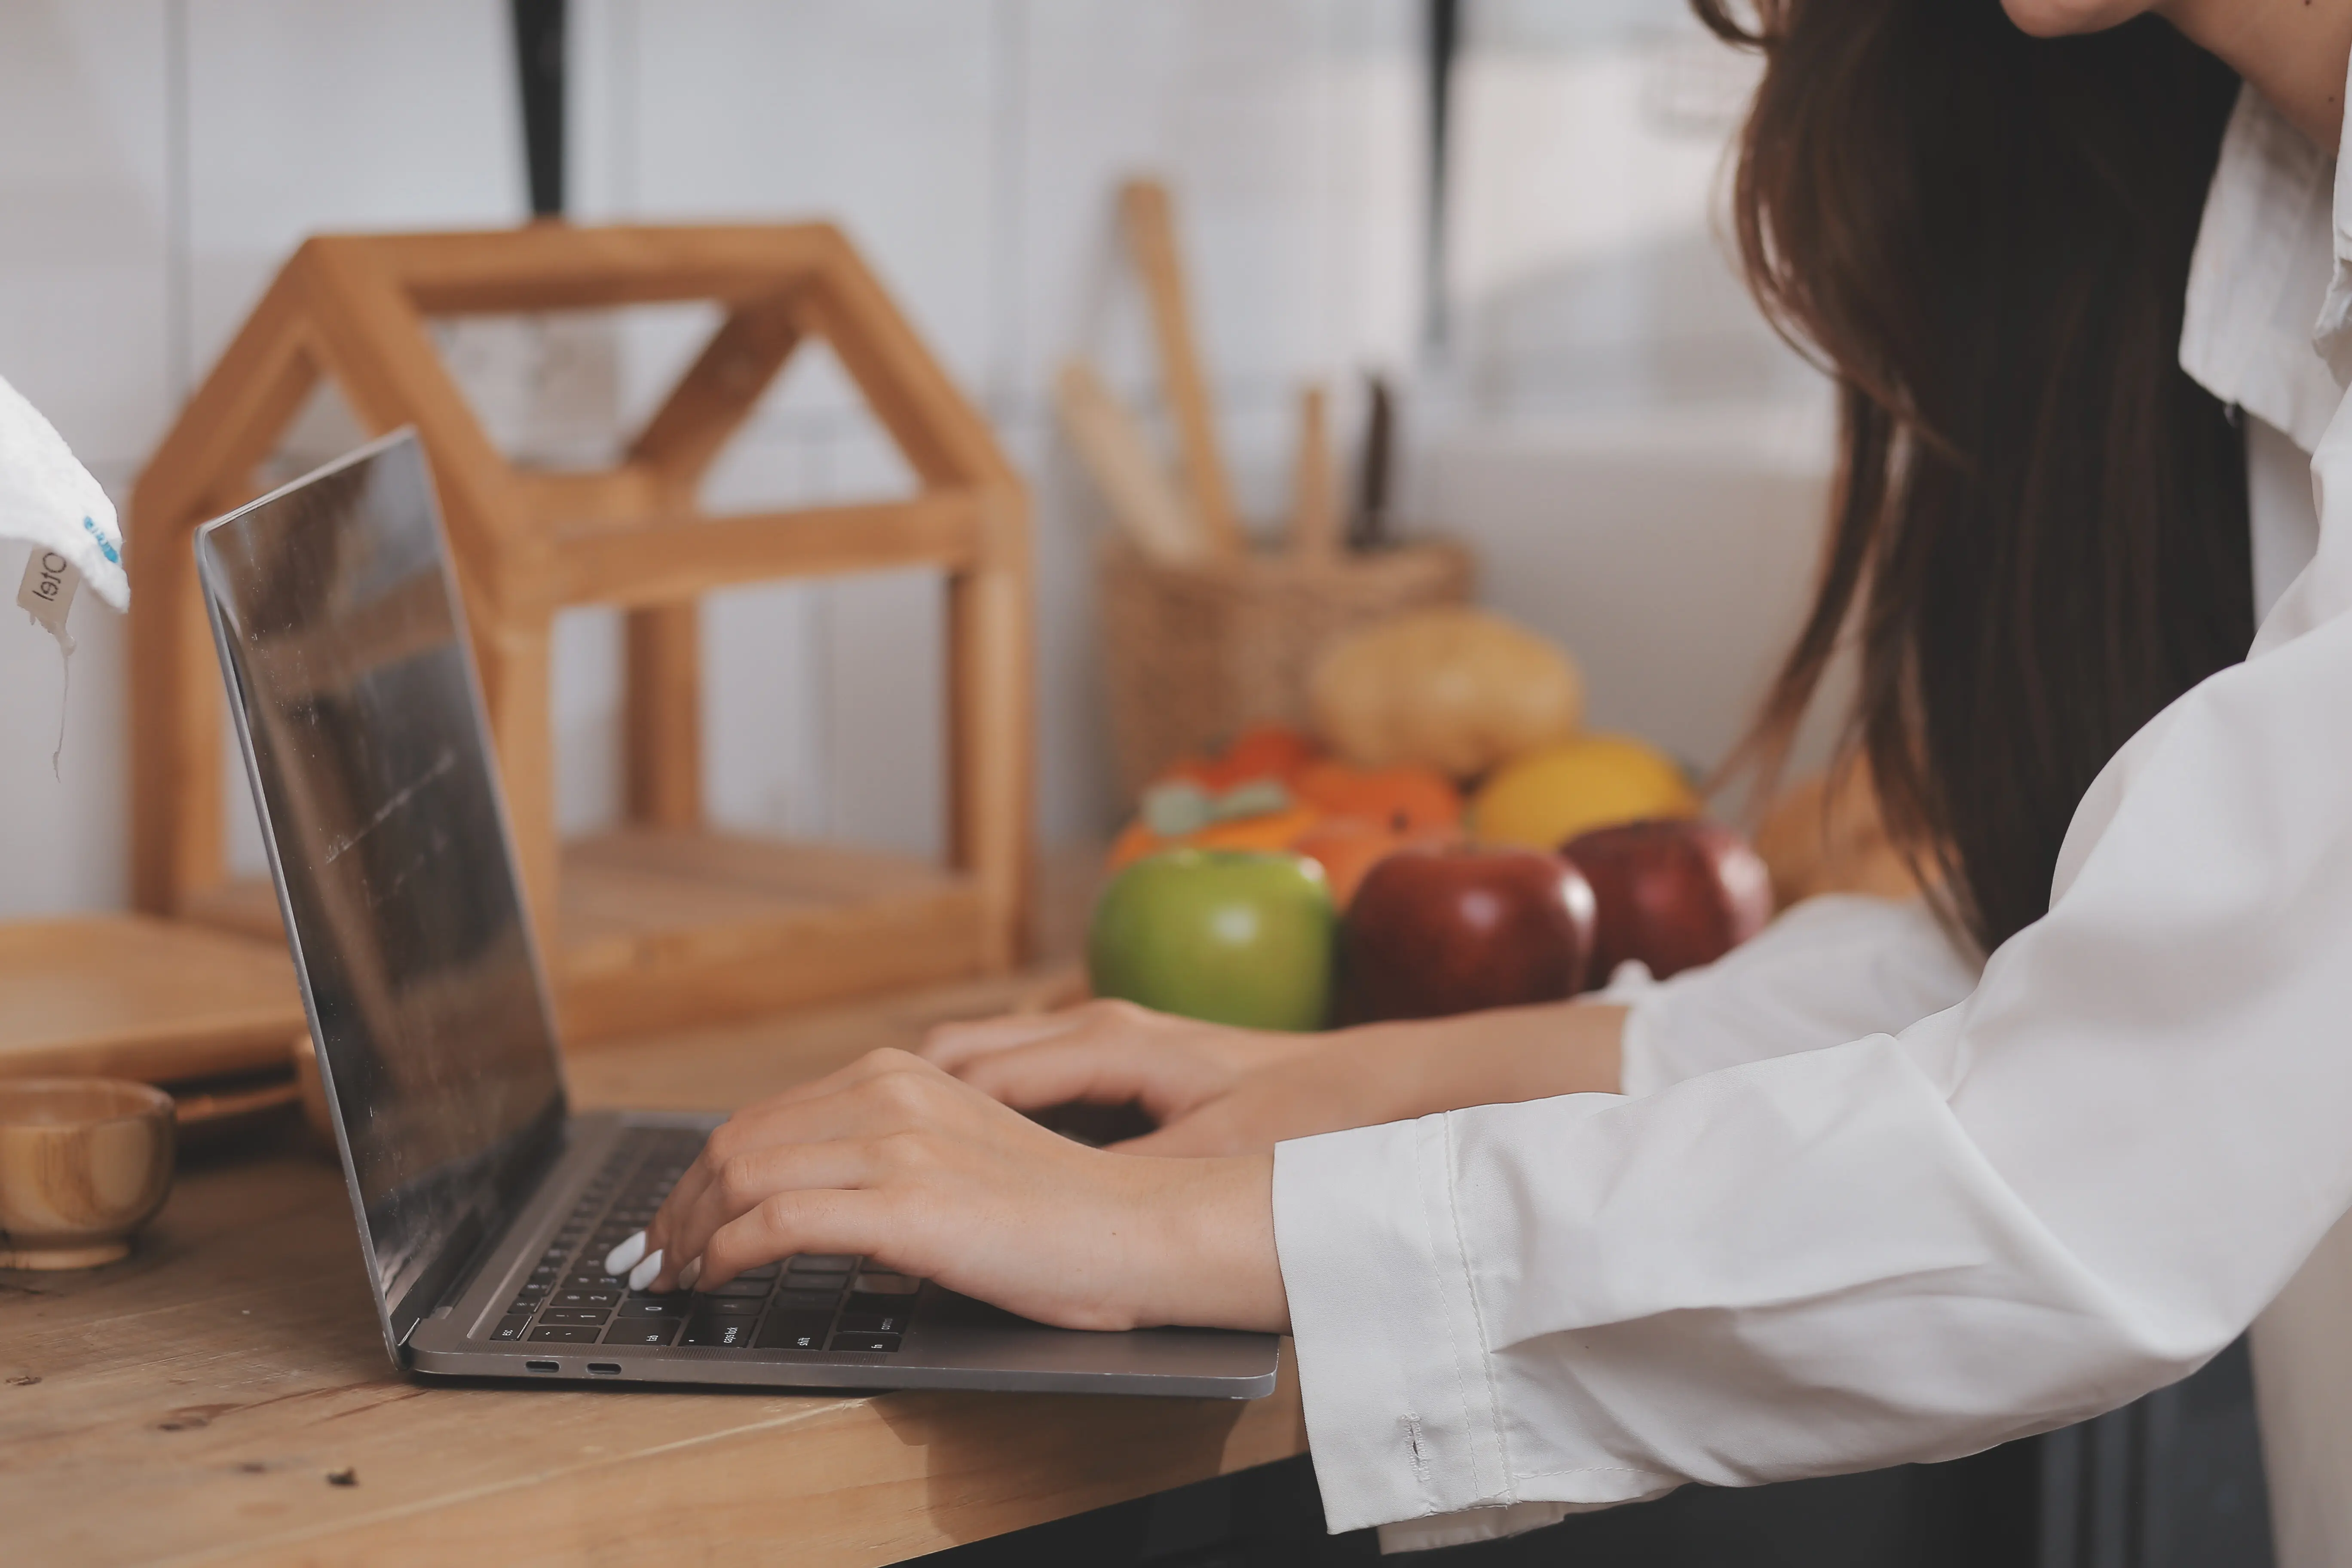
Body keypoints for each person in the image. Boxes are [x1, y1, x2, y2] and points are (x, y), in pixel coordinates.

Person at [607, 0, 2352, 1556]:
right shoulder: (2241, 208)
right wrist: (1361, 1088)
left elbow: (2079, 1161)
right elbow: (2043, 956)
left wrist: (1184, 1226)